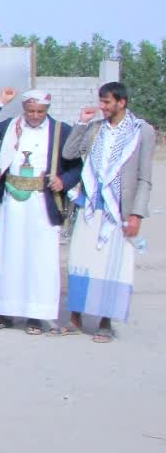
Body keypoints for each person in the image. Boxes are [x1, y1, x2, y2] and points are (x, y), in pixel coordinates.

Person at [0, 88, 81, 334]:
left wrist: (63, 181)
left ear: (47, 110)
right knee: (8, 256)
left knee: (40, 259)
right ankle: (3, 313)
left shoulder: (61, 131)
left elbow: (76, 167)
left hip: (43, 203)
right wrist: (0, 102)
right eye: (30, 111)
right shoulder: (11, 126)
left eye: (40, 112)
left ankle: (36, 316)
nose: (34, 116)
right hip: (13, 203)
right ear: (24, 109)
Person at [60, 81, 156, 343]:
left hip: (119, 212)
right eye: (101, 101)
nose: (102, 106)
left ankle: (105, 321)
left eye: (107, 102)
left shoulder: (142, 131)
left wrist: (136, 214)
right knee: (81, 260)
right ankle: (76, 316)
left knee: (112, 266)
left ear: (121, 102)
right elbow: (69, 153)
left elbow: (145, 177)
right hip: (90, 207)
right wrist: (81, 123)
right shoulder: (95, 128)